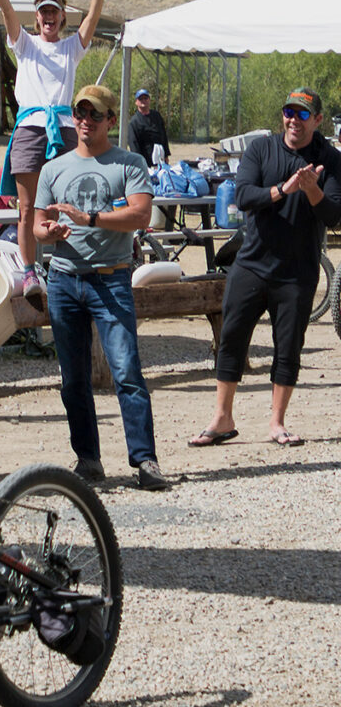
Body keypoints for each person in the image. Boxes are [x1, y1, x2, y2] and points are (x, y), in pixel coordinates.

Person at [189, 88, 341, 450]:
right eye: (289, 112)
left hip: (298, 270)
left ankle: (276, 423)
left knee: (288, 346)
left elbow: (335, 216)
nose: (294, 120)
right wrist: (283, 190)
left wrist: (312, 191)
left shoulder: (330, 159)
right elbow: (243, 196)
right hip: (252, 263)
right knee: (232, 338)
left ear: (317, 120)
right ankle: (222, 419)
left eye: (303, 115)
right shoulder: (261, 149)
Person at [33, 84, 168, 491]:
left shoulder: (128, 164)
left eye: (95, 115)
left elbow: (140, 215)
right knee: (73, 379)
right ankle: (88, 460)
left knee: (126, 371)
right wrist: (51, 231)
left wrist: (89, 219)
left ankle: (145, 461)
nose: (85, 121)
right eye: (80, 113)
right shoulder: (52, 169)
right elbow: (37, 227)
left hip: (110, 278)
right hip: (63, 280)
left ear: (111, 120)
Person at [0, 0, 120, 298]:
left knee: (71, 204)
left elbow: (93, 19)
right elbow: (6, 10)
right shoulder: (25, 45)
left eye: (54, 13)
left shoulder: (71, 47)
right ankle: (30, 271)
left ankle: (74, 267)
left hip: (65, 130)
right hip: (30, 128)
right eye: (43, 13)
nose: (48, 17)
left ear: (62, 17)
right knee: (27, 208)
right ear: (36, 18)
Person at [128, 89, 170, 167]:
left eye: (145, 98)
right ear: (136, 102)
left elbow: (163, 135)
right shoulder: (134, 121)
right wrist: (139, 162)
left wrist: (166, 154)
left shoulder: (156, 116)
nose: (143, 100)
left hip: (160, 159)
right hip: (145, 161)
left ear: (149, 100)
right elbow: (133, 144)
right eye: (140, 99)